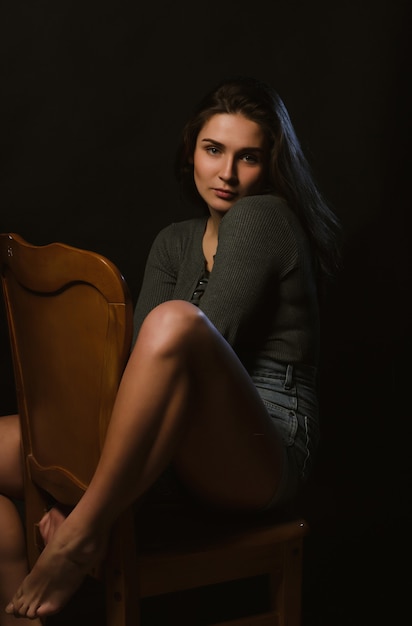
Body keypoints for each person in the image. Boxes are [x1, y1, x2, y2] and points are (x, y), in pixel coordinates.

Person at [0, 75, 341, 622]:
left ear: (270, 166)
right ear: (192, 152)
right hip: (169, 437)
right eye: (214, 150)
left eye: (248, 157)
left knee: (176, 321)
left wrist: (82, 505)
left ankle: (85, 533)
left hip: (264, 447)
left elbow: (201, 346)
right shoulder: (175, 241)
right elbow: (134, 375)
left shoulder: (265, 216)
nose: (227, 174)